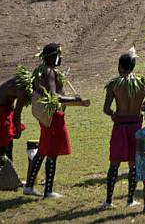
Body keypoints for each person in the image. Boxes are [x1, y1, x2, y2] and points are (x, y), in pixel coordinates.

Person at [25, 44, 91, 198]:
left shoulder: (40, 71)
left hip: (45, 117)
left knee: (42, 149)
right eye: (58, 55)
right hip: (53, 117)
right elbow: (54, 96)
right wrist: (75, 99)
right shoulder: (48, 72)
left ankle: (28, 186)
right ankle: (48, 191)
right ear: (51, 57)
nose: (60, 58)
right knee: (52, 152)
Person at [102, 49, 145, 209]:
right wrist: (143, 106)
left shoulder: (114, 84)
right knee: (133, 164)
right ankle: (130, 200)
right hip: (136, 127)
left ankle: (109, 201)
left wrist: (113, 114)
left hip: (120, 126)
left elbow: (106, 108)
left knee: (114, 164)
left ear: (120, 67)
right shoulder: (143, 82)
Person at [0, 65, 33, 161]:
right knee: (2, 147)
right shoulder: (23, 90)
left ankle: (8, 170)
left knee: (8, 144)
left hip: (6, 111)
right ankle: (0, 172)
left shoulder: (20, 82)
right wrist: (18, 131)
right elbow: (17, 113)